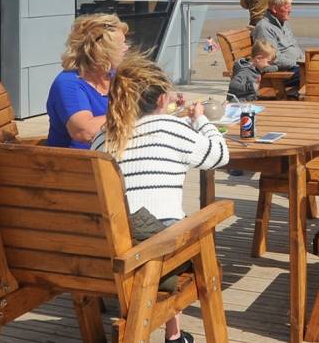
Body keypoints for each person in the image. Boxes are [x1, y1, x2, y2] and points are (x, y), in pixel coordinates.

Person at [92, 52, 228, 343]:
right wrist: (202, 121)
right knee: (172, 227)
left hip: (104, 253)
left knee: (158, 225)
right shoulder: (171, 128)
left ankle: (175, 333)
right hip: (153, 256)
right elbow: (219, 155)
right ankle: (174, 335)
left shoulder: (103, 138)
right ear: (160, 100)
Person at [45, 14, 129, 148]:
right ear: (102, 51)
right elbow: (84, 132)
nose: (126, 48)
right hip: (75, 163)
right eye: (121, 44)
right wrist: (133, 115)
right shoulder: (69, 83)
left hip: (110, 155)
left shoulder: (115, 76)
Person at [252, 0, 304, 86]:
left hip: (296, 67)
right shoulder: (264, 28)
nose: (290, 10)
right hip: (281, 75)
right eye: (286, 7)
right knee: (316, 74)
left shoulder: (284, 24)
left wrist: (305, 60)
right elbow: (273, 58)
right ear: (274, 9)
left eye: (290, 7)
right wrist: (299, 64)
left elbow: (294, 46)